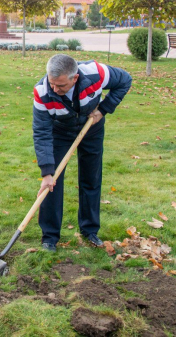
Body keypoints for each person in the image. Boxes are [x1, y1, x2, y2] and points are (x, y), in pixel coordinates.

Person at [33, 54, 132, 250]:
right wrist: (46, 172)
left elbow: (125, 80)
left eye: (61, 85)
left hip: (91, 127)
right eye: (52, 83)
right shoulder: (42, 92)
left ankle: (89, 230)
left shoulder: (96, 73)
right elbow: (41, 132)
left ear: (75, 78)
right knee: (52, 183)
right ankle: (50, 237)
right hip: (60, 131)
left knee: (91, 178)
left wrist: (103, 109)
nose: (55, 89)